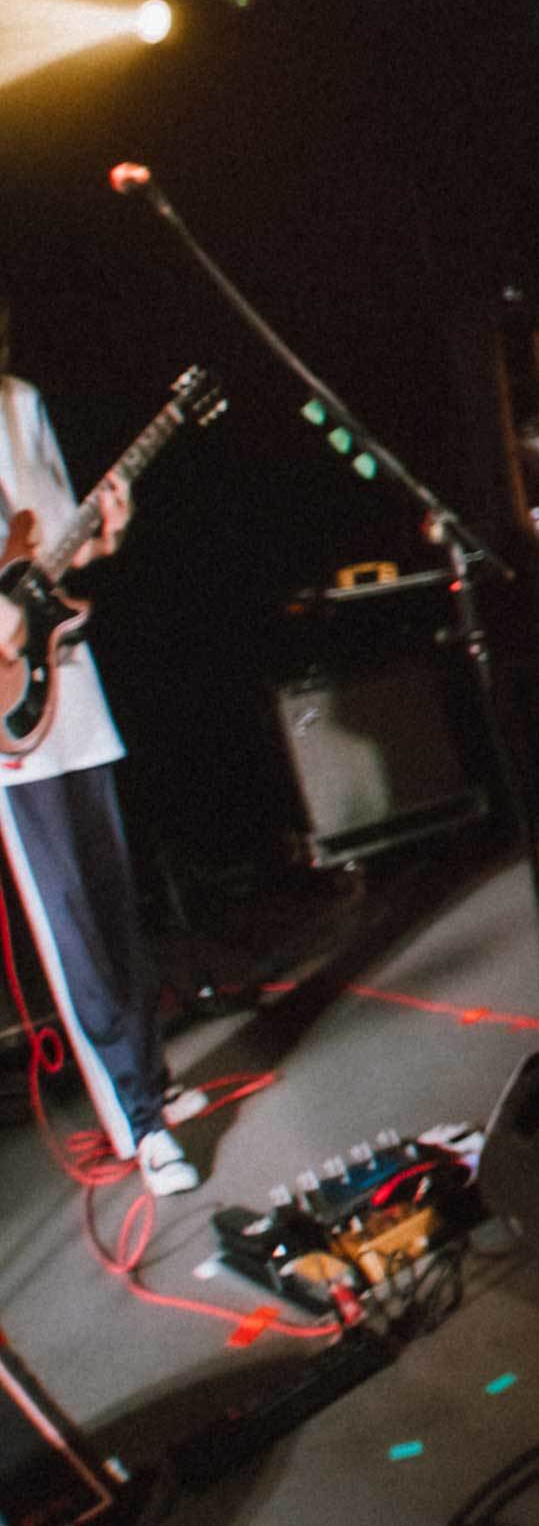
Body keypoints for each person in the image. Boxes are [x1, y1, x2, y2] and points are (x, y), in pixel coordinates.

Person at [0, 295, 195, 1196]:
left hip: (71, 682)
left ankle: (152, 1084)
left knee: (118, 901)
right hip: (10, 717)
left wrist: (102, 532)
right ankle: (138, 1121)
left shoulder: (22, 402)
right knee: (70, 919)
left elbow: (57, 549)